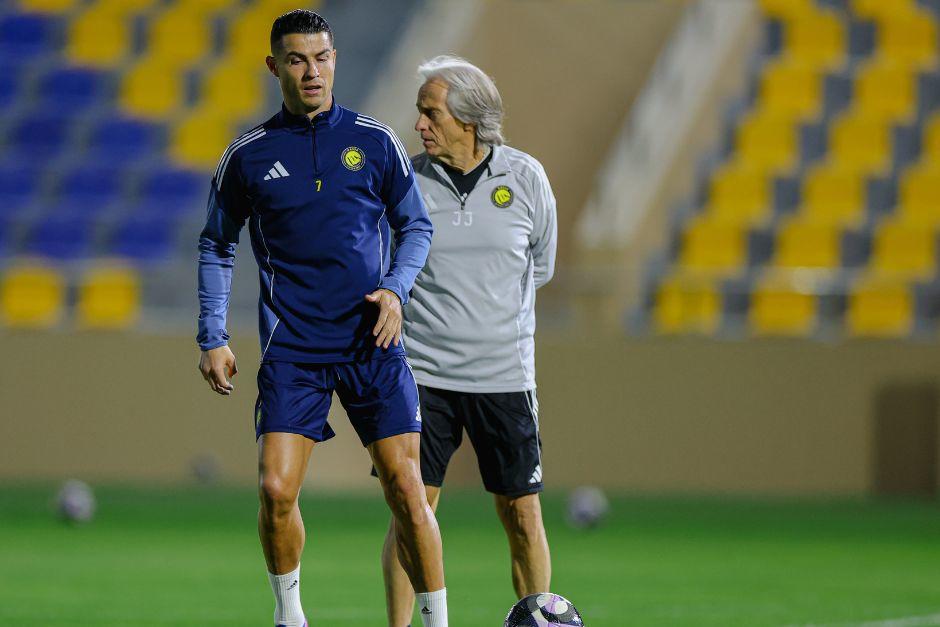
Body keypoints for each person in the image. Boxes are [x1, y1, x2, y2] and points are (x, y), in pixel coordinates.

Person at [195, 11, 448, 627]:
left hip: (372, 342)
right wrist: (214, 334)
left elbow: (415, 224)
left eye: (323, 57)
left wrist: (395, 290)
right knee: (276, 491)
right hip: (294, 349)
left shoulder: (375, 140)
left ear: (335, 58)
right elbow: (215, 244)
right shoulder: (247, 156)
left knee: (408, 490)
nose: (313, 71)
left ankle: (438, 621)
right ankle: (290, 616)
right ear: (274, 66)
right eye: (299, 60)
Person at [381, 56, 557, 627]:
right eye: (420, 114)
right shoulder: (405, 181)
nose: (420, 125)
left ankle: (532, 620)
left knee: (522, 514)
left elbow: (541, 266)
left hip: (504, 377)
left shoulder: (526, 178)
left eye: (431, 114)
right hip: (422, 376)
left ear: (469, 120)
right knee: (413, 512)